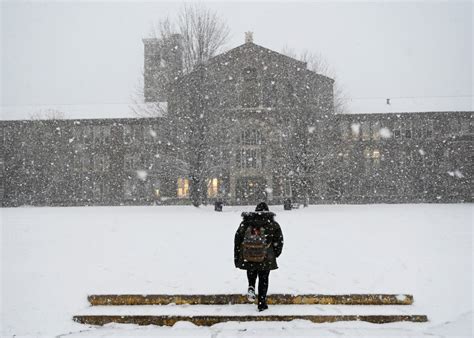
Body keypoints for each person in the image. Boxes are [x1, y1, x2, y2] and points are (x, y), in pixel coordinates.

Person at [234, 202, 284, 311]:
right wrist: (275, 253)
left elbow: (237, 239)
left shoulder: (246, 223)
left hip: (249, 255)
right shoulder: (272, 224)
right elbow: (279, 241)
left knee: (251, 273)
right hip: (266, 257)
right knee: (264, 278)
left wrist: (237, 255)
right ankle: (262, 303)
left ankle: (251, 287)